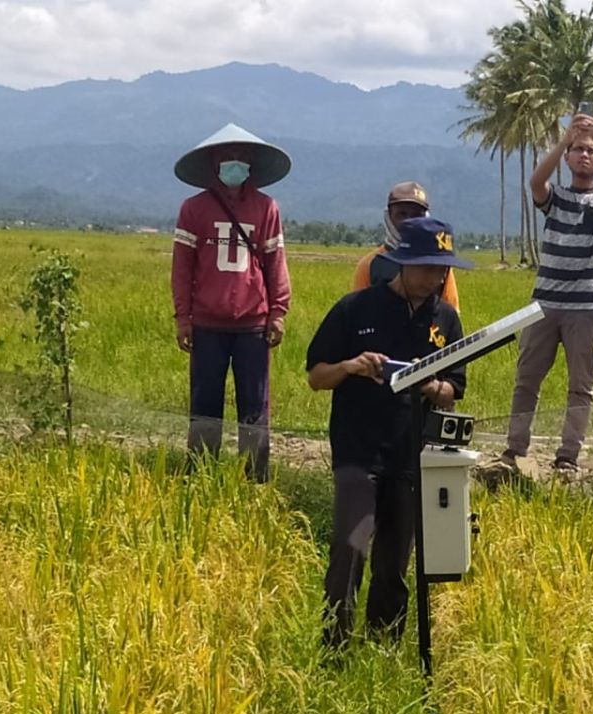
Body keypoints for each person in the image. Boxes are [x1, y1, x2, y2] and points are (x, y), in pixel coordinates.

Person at [306, 216, 470, 649]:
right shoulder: (355, 309)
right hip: (359, 453)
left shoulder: (447, 321)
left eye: (444, 270)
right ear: (402, 264)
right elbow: (316, 376)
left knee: (395, 562)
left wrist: (432, 386)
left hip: (410, 456)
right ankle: (334, 645)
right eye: (429, 268)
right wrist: (351, 366)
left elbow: (455, 388)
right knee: (350, 548)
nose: (437, 278)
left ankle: (385, 646)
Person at [502, 111, 593, 474]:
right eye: (578, 150)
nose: (585, 155)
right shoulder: (555, 197)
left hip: (587, 307)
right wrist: (562, 140)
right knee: (527, 378)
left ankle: (568, 455)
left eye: (592, 151)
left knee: (580, 386)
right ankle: (514, 449)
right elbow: (536, 182)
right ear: (568, 158)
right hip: (545, 303)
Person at [171, 123, 292, 482]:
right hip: (207, 325)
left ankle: (255, 478)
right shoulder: (194, 210)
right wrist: (183, 318)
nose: (234, 164)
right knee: (205, 408)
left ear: (252, 164)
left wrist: (278, 312)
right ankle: (200, 474)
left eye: (241, 158)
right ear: (214, 164)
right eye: (227, 158)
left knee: (255, 407)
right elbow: (182, 269)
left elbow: (276, 264)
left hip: (252, 325)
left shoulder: (266, 208)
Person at [350, 181, 460, 310]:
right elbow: (357, 313)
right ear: (389, 217)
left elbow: (449, 314)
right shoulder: (370, 264)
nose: (409, 221)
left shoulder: (438, 265)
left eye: (417, 215)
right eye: (402, 214)